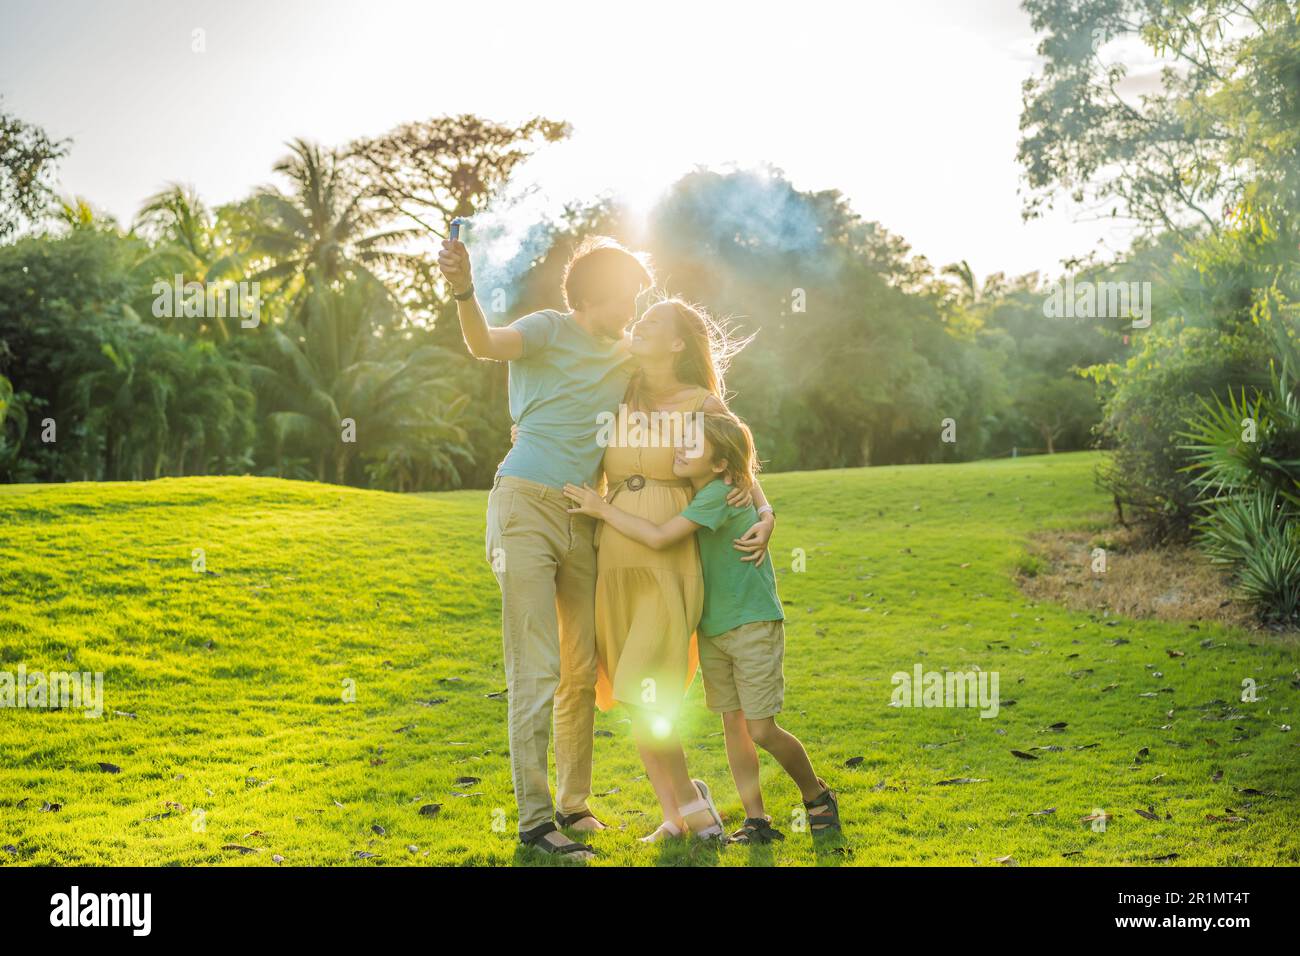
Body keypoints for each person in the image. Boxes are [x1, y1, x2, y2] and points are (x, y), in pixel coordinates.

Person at [438, 233, 651, 860]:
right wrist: (462, 288)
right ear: (592, 297)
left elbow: (679, 369)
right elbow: (482, 344)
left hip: (582, 517)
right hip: (524, 506)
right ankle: (534, 823)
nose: (634, 311)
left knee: (581, 668)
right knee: (536, 667)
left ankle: (574, 804)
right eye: (627, 299)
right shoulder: (548, 329)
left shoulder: (626, 354)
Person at [564, 411, 841, 844]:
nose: (679, 448)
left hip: (750, 621)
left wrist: (602, 510)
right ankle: (756, 822)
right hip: (714, 626)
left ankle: (816, 794)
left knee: (761, 729)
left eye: (691, 445)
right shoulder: (712, 485)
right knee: (734, 724)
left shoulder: (719, 493)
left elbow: (659, 537)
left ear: (718, 464)